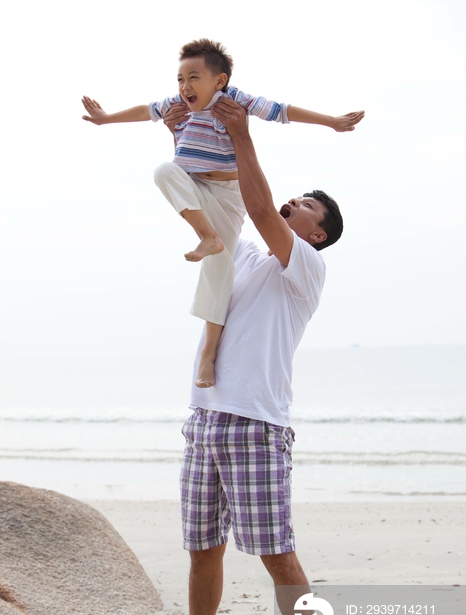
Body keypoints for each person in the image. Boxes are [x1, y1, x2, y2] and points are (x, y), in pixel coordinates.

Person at [151, 97, 346, 615]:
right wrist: (185, 136)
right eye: (297, 197)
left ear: (315, 233)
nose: (292, 203)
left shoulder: (305, 267)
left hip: (258, 426)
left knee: (279, 556)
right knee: (202, 552)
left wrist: (244, 136)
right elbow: (216, 204)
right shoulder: (243, 253)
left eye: (304, 206)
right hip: (203, 421)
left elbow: (260, 206)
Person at [82, 39, 364, 391]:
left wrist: (332, 122)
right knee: (163, 171)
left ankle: (208, 355)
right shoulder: (178, 106)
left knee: (218, 268)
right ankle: (207, 235)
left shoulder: (235, 102)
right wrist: (107, 119)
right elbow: (145, 112)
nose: (185, 87)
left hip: (229, 196)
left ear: (220, 80)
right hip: (196, 184)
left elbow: (282, 111)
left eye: (194, 77)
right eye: (180, 79)